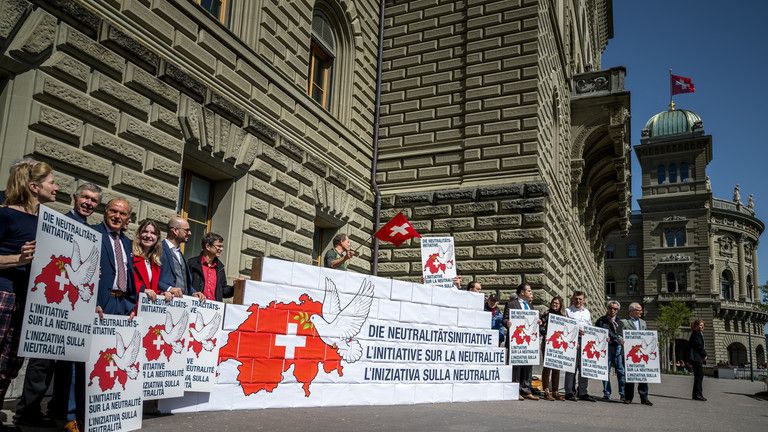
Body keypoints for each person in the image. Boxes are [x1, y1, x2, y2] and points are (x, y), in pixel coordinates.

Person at [18, 183, 102, 427]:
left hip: (74, 306)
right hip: (52, 298)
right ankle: (28, 412)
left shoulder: (93, 234)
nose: (88, 203)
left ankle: (57, 411)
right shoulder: (56, 223)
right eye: (85, 197)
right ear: (74, 198)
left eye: (94, 200)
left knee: (67, 364)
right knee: (41, 362)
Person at [0, 160, 58, 427]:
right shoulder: (6, 214)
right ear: (35, 187)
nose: (56, 188)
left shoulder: (48, 222)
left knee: (10, 363)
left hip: (30, 300)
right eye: (52, 182)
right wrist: (17, 259)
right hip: (5, 295)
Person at [503, 283, 539, 401]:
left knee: (528, 366)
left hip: (528, 342)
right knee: (516, 366)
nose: (530, 293)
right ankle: (515, 390)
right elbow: (504, 319)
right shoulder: (511, 304)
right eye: (529, 291)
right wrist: (507, 323)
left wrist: (537, 322)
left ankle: (526, 390)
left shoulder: (530, 305)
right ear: (522, 292)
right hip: (516, 341)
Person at [158, 216, 204, 300]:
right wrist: (168, 288)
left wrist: (193, 292)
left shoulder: (180, 253)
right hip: (164, 302)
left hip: (181, 304)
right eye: (186, 230)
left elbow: (184, 281)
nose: (190, 233)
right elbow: (151, 277)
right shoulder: (158, 249)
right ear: (175, 231)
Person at [564, 291, 596, 402]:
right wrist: (575, 335)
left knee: (584, 367)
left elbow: (590, 326)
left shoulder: (587, 312)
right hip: (573, 340)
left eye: (580, 299)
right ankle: (569, 392)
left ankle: (583, 392)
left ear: (584, 300)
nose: (578, 301)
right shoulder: (568, 311)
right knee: (571, 367)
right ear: (573, 299)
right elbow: (566, 327)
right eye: (576, 298)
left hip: (586, 341)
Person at [620, 302, 653, 406]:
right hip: (630, 353)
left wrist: (653, 341)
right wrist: (621, 340)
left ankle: (644, 398)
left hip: (642, 353)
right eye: (639, 310)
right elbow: (618, 335)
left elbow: (646, 336)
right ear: (632, 311)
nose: (641, 312)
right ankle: (628, 397)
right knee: (630, 375)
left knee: (643, 375)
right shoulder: (624, 322)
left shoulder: (643, 323)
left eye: (640, 310)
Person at [188, 232, 235, 302]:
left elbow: (223, 291)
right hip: (195, 306)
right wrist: (193, 293)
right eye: (219, 246)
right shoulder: (192, 264)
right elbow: (185, 285)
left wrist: (235, 288)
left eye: (222, 246)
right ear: (208, 246)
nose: (221, 249)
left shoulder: (220, 267)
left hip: (214, 309)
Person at [132, 219, 169, 302]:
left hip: (145, 308)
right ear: (139, 234)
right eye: (145, 231)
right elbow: (125, 281)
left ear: (157, 238)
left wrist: (161, 294)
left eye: (153, 233)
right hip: (131, 305)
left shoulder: (155, 261)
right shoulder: (130, 255)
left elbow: (152, 289)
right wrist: (142, 290)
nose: (148, 236)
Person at [596, 300, 625, 401]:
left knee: (621, 371)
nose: (612, 310)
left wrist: (619, 339)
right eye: (610, 308)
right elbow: (596, 333)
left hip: (617, 348)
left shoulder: (620, 322)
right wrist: (603, 337)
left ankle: (623, 393)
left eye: (615, 309)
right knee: (605, 371)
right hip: (605, 348)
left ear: (618, 310)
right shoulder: (601, 320)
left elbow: (621, 336)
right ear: (607, 308)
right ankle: (607, 393)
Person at [540, 296, 565, 401]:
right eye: (554, 302)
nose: (555, 304)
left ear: (560, 305)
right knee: (547, 368)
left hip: (558, 345)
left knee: (556, 368)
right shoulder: (546, 314)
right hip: (547, 343)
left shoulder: (563, 317)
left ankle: (555, 391)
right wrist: (546, 333)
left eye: (557, 303)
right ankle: (546, 391)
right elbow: (541, 328)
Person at [689, 319, 707, 401]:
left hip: (697, 358)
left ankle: (696, 394)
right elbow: (698, 346)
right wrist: (705, 354)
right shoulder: (696, 333)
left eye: (703, 325)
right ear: (696, 326)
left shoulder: (698, 333)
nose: (702, 326)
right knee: (699, 376)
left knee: (698, 376)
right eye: (700, 325)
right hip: (696, 358)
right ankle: (697, 394)